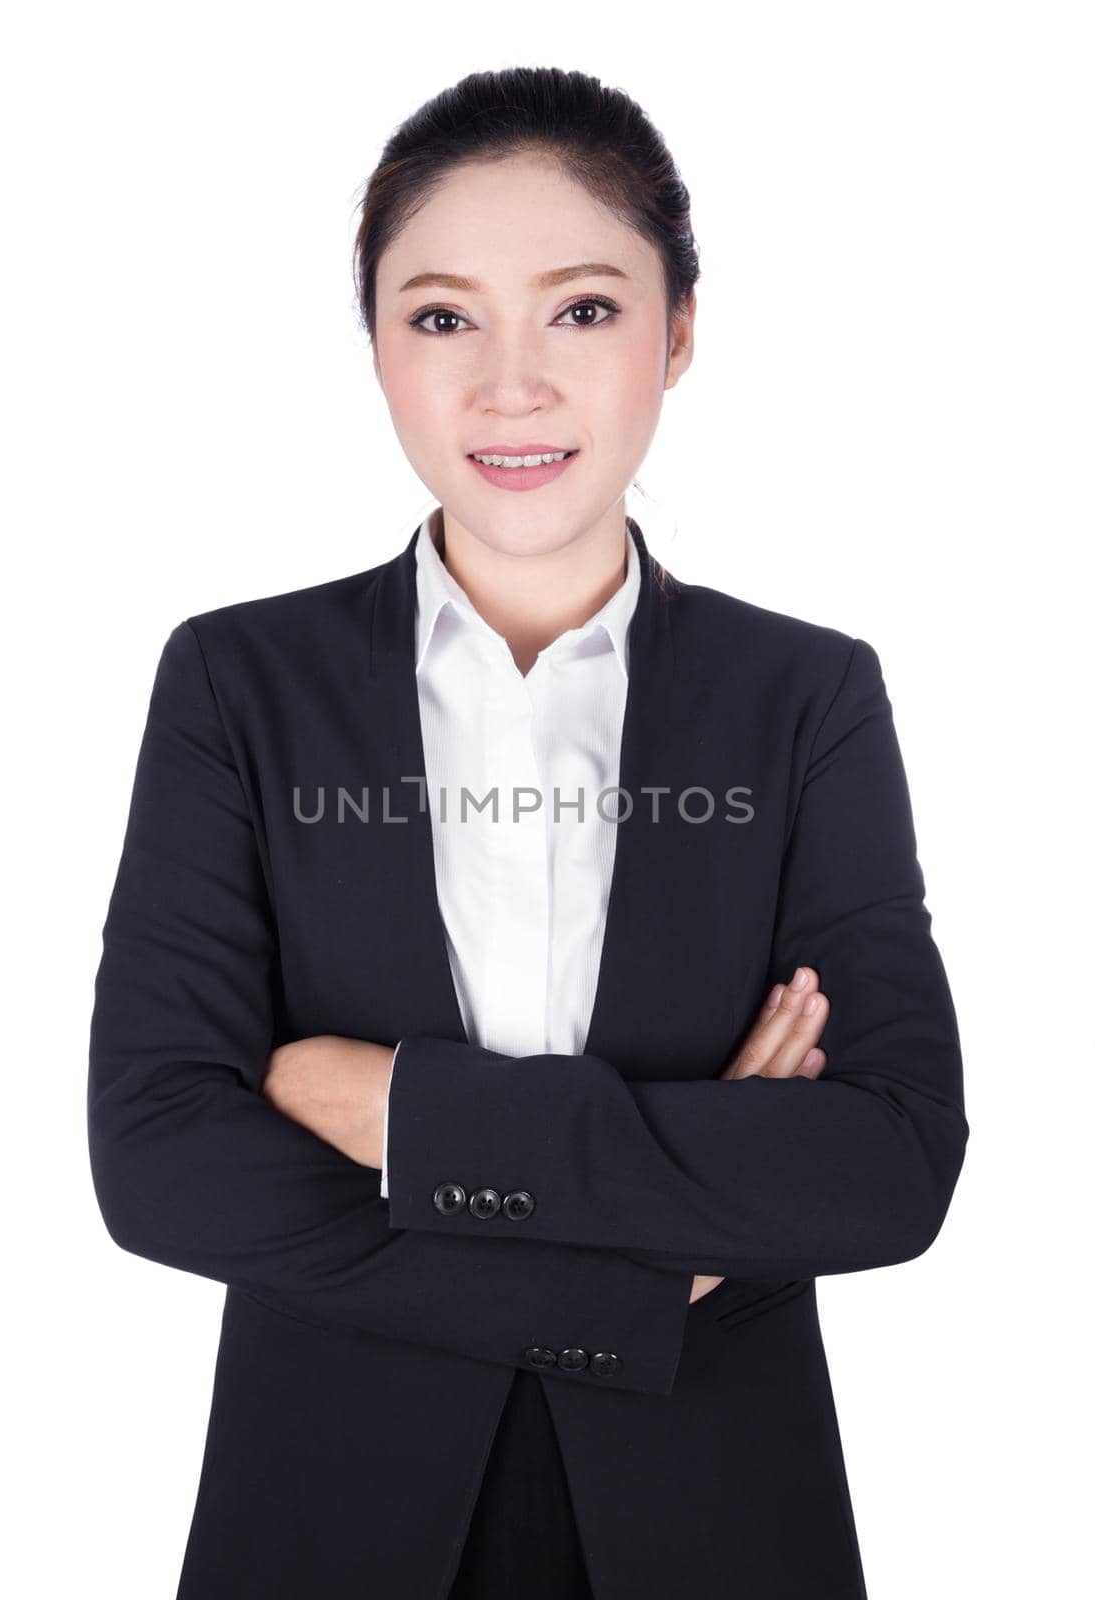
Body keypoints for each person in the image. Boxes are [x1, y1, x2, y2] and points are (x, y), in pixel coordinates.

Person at [87, 66, 968, 1599]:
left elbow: (885, 1166)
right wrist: (640, 1260)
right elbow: (161, 1160)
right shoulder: (238, 683)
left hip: (716, 1518)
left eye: (580, 310)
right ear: (373, 345)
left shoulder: (804, 697)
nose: (512, 386)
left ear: (677, 332)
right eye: (441, 319)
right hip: (325, 1517)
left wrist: (402, 1118)